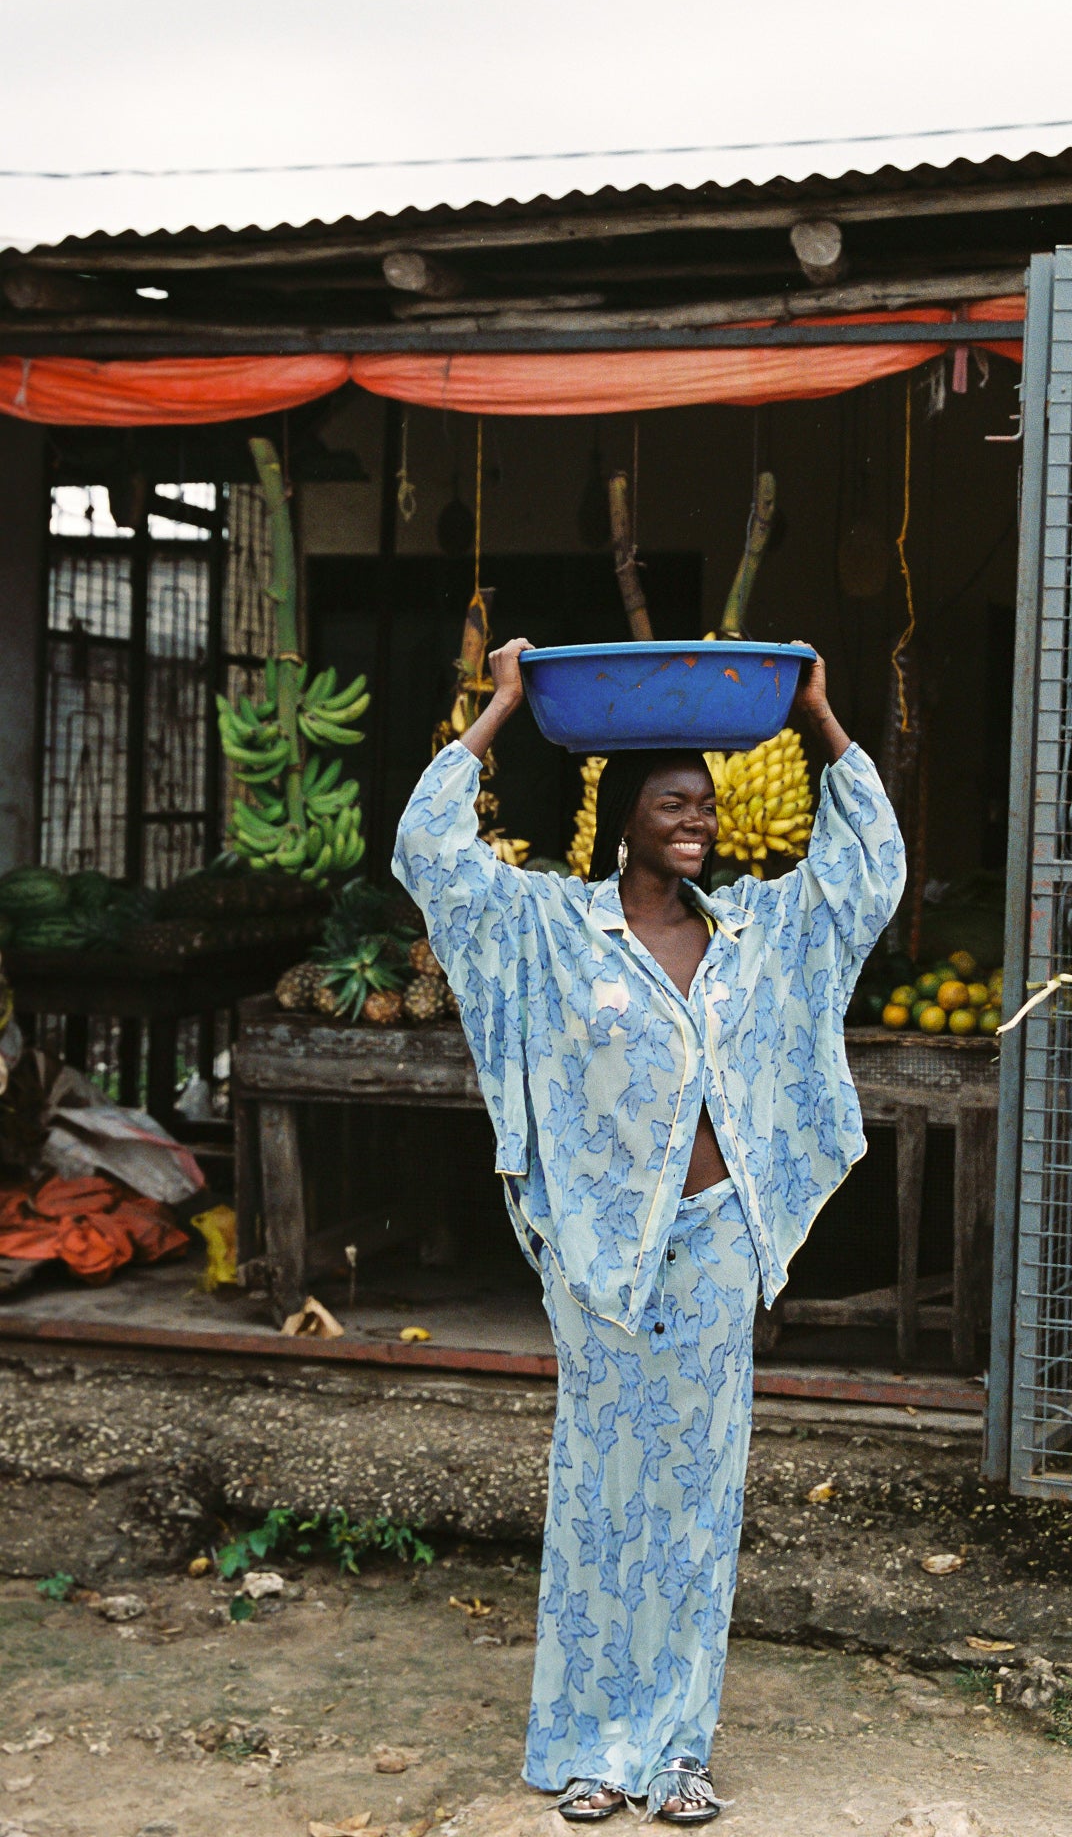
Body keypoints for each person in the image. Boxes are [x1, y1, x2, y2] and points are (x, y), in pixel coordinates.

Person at [394, 640, 904, 1824]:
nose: (698, 822)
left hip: (718, 1242)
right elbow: (430, 852)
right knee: (600, 1493)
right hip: (601, 1253)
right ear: (622, 814)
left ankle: (675, 1750)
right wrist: (500, 706)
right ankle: (592, 1747)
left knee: (695, 1500)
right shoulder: (548, 928)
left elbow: (866, 872)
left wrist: (821, 715)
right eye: (673, 803)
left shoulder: (757, 932)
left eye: (706, 805)